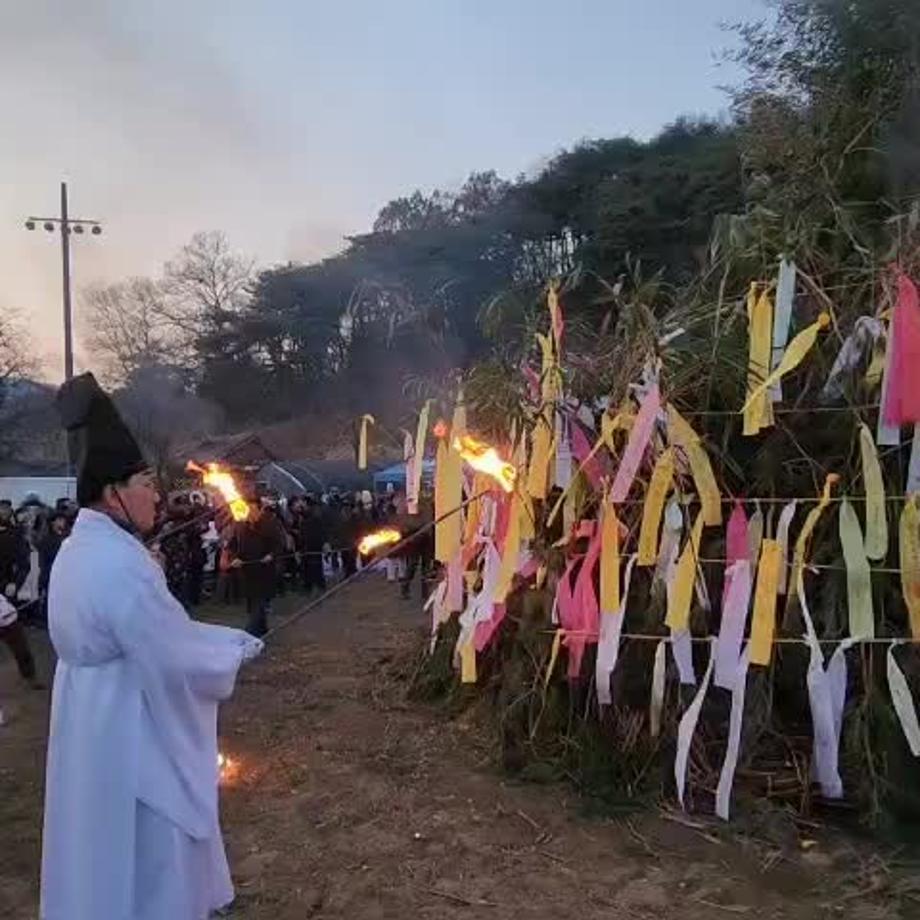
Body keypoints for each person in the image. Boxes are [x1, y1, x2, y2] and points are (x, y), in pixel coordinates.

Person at [41, 372, 263, 920]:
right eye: (144, 481)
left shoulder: (82, 550)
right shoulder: (120, 564)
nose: (155, 492)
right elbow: (173, 651)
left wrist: (146, 568)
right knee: (152, 855)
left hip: (91, 725)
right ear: (114, 493)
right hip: (131, 733)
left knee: (96, 852)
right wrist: (237, 648)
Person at [228, 490, 287, 636]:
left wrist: (271, 555)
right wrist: (234, 558)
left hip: (265, 570)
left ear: (260, 509)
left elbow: (280, 544)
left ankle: (251, 633)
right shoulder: (241, 525)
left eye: (252, 509)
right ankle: (262, 630)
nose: (249, 512)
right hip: (247, 571)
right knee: (252, 601)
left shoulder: (270, 523)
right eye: (247, 509)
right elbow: (233, 544)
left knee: (259, 601)